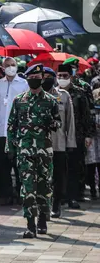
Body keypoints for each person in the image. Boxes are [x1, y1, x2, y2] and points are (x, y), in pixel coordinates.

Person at [6, 63, 61, 238]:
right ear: (27, 79)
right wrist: (13, 145)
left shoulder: (50, 101)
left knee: (44, 187)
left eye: (38, 79)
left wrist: (50, 122)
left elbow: (58, 122)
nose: (34, 81)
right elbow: (11, 125)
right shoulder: (19, 100)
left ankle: (43, 220)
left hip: (44, 151)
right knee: (28, 188)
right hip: (25, 151)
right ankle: (30, 225)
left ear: (42, 80)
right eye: (32, 78)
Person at [0, 57, 29, 205]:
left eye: (13, 65)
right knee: (3, 165)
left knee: (19, 164)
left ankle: (21, 194)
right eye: (8, 65)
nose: (11, 67)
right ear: (3, 68)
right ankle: (5, 194)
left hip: (18, 131)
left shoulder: (24, 84)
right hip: (1, 131)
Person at [56, 64, 94, 209]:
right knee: (59, 169)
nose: (62, 79)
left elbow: (86, 115)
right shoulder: (53, 93)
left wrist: (88, 135)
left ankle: (73, 196)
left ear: (70, 76)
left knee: (74, 167)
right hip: (58, 137)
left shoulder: (79, 93)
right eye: (59, 76)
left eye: (65, 76)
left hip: (76, 136)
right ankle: (60, 197)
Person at [42, 67, 76, 218]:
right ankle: (43, 204)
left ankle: (56, 204)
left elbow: (70, 122)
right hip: (40, 145)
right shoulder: (34, 96)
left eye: (49, 76)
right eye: (44, 77)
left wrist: (70, 143)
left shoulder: (63, 95)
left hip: (58, 144)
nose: (46, 79)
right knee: (41, 176)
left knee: (58, 176)